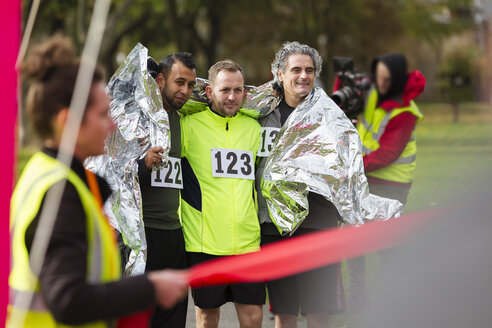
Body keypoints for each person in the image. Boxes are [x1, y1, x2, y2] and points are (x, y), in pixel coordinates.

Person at [8, 36, 188, 327]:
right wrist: (150, 288)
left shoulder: (57, 175)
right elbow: (69, 300)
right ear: (68, 122)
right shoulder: (60, 192)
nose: (113, 124)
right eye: (103, 114)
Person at [256, 41, 343, 328]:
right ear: (279, 74)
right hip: (275, 225)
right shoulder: (259, 116)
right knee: (285, 312)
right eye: (296, 69)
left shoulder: (329, 116)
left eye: (309, 70)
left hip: (320, 223)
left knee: (318, 311)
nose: (304, 76)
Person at [180, 60, 264, 328]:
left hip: (247, 241)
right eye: (225, 89)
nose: (232, 96)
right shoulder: (188, 126)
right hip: (205, 242)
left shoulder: (254, 129)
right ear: (209, 92)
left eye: (238, 90)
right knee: (207, 316)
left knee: (253, 316)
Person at [347, 53, 425, 309]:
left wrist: (356, 166)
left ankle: (396, 296)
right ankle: (358, 297)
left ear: (398, 79)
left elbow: (388, 153)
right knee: (354, 239)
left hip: (391, 184)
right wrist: (344, 84)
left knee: (386, 244)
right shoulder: (371, 94)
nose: (381, 84)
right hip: (364, 179)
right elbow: (346, 109)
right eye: (378, 77)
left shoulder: (405, 112)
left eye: (387, 79)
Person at [137, 53, 196, 328]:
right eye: (179, 82)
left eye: (191, 85)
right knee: (140, 317)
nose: (185, 91)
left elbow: (221, 92)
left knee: (173, 318)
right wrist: (142, 165)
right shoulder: (134, 115)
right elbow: (110, 168)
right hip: (141, 236)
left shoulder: (184, 114)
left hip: (174, 233)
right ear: (159, 80)